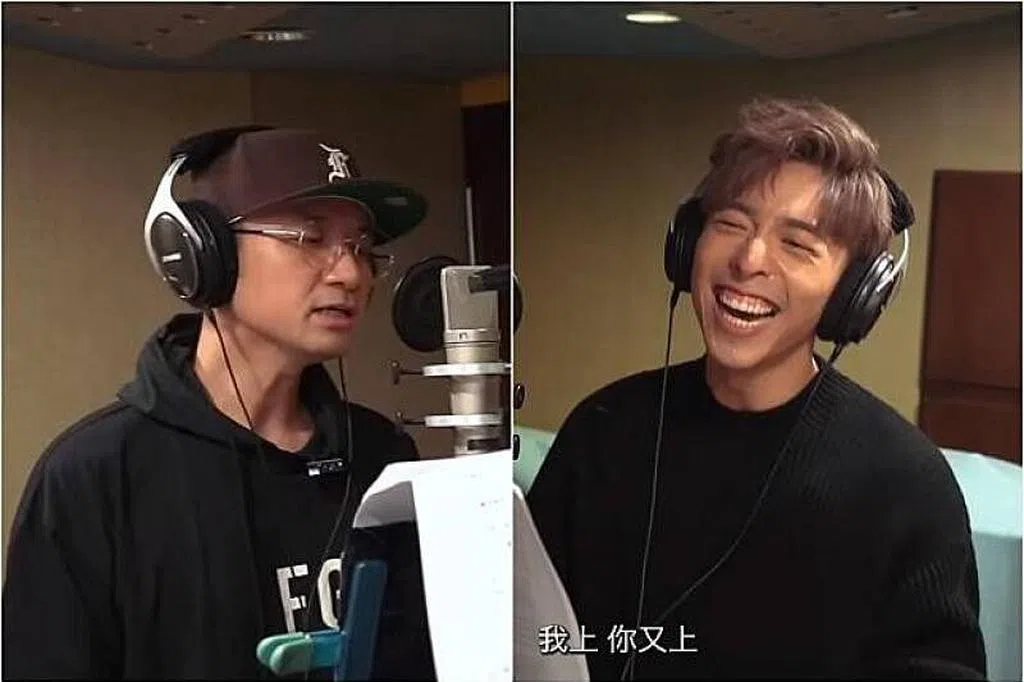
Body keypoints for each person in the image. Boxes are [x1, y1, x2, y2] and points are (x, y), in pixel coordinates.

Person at [526, 98, 987, 680]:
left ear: (854, 294)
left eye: (797, 244)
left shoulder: (906, 484)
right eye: (731, 224)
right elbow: (533, 637)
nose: (748, 260)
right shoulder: (603, 430)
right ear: (687, 245)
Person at [3, 126, 433, 678]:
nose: (350, 273)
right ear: (204, 254)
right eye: (309, 237)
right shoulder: (94, 477)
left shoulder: (382, 457)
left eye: (360, 247)